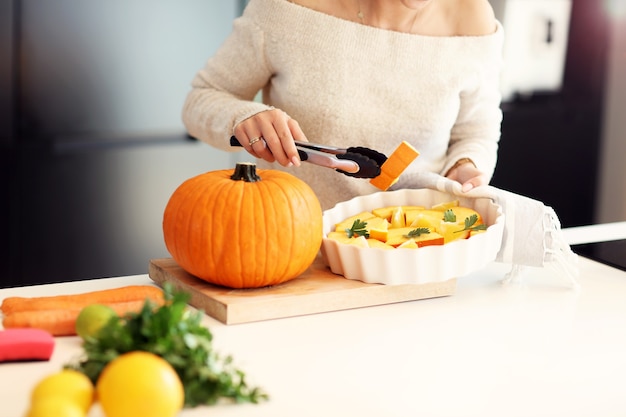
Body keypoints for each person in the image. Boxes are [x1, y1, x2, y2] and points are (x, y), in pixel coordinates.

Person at [183, 0, 504, 210]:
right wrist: (244, 117)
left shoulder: (473, 17)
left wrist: (465, 165)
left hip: (419, 251)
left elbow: (476, 131)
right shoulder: (287, 8)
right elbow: (201, 99)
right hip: (295, 247)